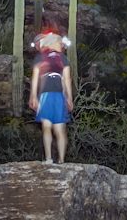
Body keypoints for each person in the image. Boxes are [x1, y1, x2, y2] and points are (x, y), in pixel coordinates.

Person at [28, 31, 74, 164]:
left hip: (47, 95)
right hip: (55, 95)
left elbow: (35, 78)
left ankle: (53, 159)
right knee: (56, 128)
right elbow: (66, 80)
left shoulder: (43, 58)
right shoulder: (61, 58)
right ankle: (58, 160)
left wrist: (33, 96)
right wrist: (69, 97)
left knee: (50, 127)